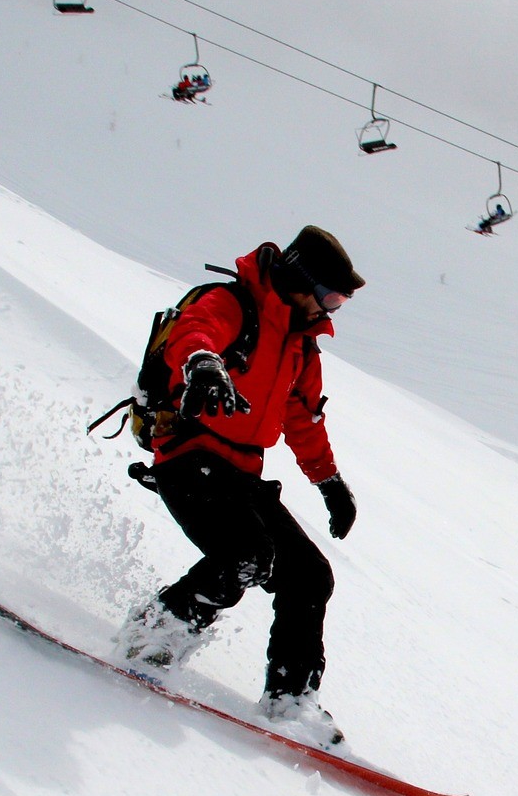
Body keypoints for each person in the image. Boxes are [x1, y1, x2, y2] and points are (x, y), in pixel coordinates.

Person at [117, 226, 365, 747]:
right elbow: (195, 332)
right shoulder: (233, 304)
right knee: (244, 555)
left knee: (309, 576)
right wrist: (202, 364)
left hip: (242, 473)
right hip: (188, 456)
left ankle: (289, 699)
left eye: (340, 301)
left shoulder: (302, 346)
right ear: (298, 278)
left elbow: (302, 420)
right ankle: (150, 640)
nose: (332, 310)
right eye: (330, 296)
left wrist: (330, 483)